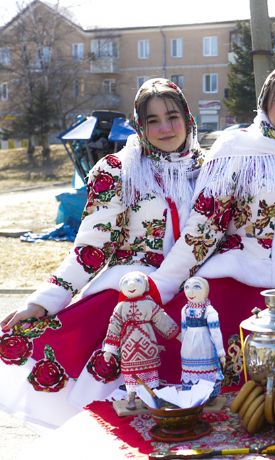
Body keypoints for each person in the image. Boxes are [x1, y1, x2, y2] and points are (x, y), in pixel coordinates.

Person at [0, 78, 202, 427]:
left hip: (189, 293)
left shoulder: (209, 170)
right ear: (140, 127)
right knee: (123, 416)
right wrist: (44, 300)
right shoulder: (120, 170)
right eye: (152, 120)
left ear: (187, 117)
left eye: (172, 116)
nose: (165, 128)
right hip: (129, 293)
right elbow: (91, 248)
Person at [149, 66, 275, 350]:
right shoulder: (237, 149)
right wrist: (161, 285)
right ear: (265, 103)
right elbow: (205, 224)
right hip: (235, 286)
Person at [103, 271, 180, 410]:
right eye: (126, 282)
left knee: (149, 372)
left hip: (147, 346)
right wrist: (110, 349)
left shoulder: (149, 304)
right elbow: (113, 326)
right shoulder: (120, 307)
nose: (131, 285)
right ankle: (131, 399)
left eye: (137, 281)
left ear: (145, 286)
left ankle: (148, 398)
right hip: (128, 347)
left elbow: (161, 319)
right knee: (131, 375)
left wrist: (176, 334)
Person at [179, 276, 226, 398]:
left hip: (204, 345)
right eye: (187, 287)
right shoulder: (185, 310)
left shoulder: (209, 311)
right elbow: (183, 329)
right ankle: (191, 394)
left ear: (205, 290)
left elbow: (216, 332)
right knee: (190, 371)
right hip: (188, 348)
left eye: (196, 287)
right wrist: (183, 347)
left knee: (206, 369)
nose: (190, 292)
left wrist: (221, 352)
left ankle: (207, 395)